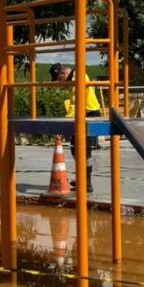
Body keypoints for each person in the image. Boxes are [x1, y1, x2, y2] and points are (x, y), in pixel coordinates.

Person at [49, 62, 101, 191]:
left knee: (85, 151)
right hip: (81, 116)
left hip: (90, 115)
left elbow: (75, 104)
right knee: (76, 150)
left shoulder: (78, 78)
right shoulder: (73, 80)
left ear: (63, 74)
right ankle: (82, 179)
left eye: (59, 80)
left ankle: (87, 184)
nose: (60, 84)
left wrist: (64, 126)